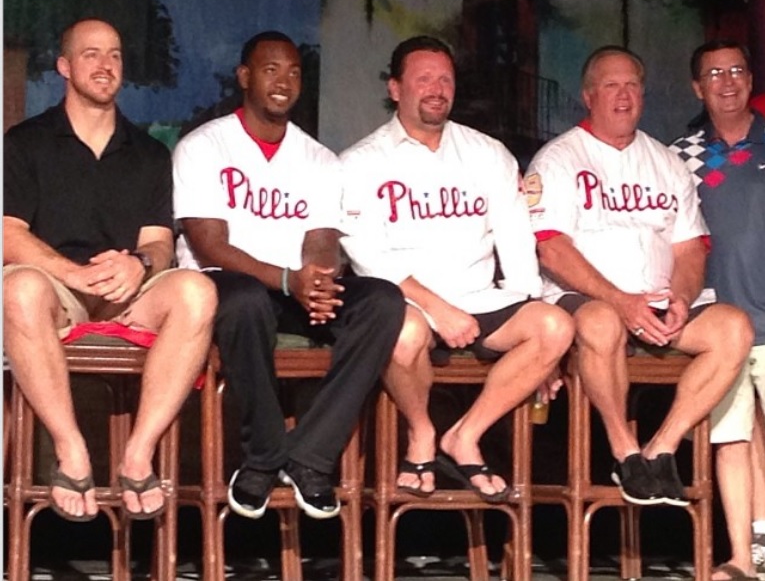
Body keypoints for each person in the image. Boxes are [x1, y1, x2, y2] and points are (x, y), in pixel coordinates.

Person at [172, 31, 405, 520]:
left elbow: (321, 240)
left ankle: (309, 456)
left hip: (292, 289)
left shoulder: (318, 158)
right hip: (226, 285)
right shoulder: (204, 146)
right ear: (245, 77)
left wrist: (317, 281)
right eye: (271, 70)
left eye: (294, 72)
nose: (284, 82)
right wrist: (284, 279)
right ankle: (262, 457)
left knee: (382, 301)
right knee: (245, 299)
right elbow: (210, 244)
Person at [340, 36, 574, 502]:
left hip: (478, 298)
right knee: (402, 333)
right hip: (408, 300)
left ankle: (466, 435)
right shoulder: (361, 161)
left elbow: (516, 240)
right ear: (395, 88)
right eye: (424, 78)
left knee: (555, 326)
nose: (437, 89)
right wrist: (438, 309)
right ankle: (422, 431)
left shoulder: (487, 152)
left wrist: (540, 347)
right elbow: (367, 257)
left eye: (445, 79)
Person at [3, 18, 217, 522]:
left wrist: (138, 264)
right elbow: (8, 234)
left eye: (115, 55)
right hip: (59, 291)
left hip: (127, 292)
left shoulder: (148, 152)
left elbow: (159, 244)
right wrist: (71, 274)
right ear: (64, 66)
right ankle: (71, 450)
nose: (106, 65)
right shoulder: (26, 142)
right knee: (20, 288)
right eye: (92, 54)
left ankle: (138, 454)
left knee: (197, 291)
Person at [525, 45, 753, 512]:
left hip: (657, 302)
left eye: (632, 86)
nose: (624, 95)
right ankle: (625, 450)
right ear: (589, 96)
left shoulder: (666, 161)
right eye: (612, 86)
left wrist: (682, 298)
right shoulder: (559, 158)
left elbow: (690, 248)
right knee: (601, 321)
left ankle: (660, 450)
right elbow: (551, 247)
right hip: (587, 299)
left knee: (733, 329)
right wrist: (620, 300)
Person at [670, 39, 765, 580]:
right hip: (719, 327)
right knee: (732, 440)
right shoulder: (676, 157)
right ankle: (742, 560)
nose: (727, 82)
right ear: (696, 87)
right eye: (714, 73)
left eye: (736, 71)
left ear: (750, 79)